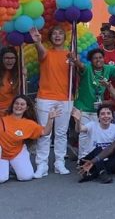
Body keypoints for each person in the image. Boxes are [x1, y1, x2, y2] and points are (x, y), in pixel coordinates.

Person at [32, 28, 72, 177]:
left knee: (61, 133)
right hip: (45, 97)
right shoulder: (46, 52)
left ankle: (59, 162)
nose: (57, 35)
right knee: (44, 132)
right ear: (50, 38)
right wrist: (37, 42)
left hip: (65, 98)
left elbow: (79, 72)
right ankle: (41, 164)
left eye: (60, 33)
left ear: (65, 37)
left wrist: (75, 61)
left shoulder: (70, 54)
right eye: (54, 33)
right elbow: (41, 52)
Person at [0, 96, 60, 183]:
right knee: (1, 179)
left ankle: (12, 167)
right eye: (16, 103)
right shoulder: (2, 119)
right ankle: (8, 167)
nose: (18, 106)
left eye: (22, 104)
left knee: (26, 176)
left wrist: (50, 119)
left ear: (27, 108)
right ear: (12, 105)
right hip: (1, 153)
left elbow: (45, 132)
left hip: (17, 152)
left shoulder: (29, 123)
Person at [72, 105, 115, 183]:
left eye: (108, 113)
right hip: (89, 159)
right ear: (98, 117)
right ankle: (102, 172)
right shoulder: (92, 125)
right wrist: (78, 121)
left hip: (105, 160)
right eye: (102, 114)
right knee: (99, 149)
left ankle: (94, 173)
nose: (106, 116)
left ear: (112, 117)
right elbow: (79, 130)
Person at [0, 47, 20, 114]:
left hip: (13, 111)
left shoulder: (18, 72)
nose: (10, 61)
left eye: (12, 58)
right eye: (7, 58)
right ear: (1, 59)